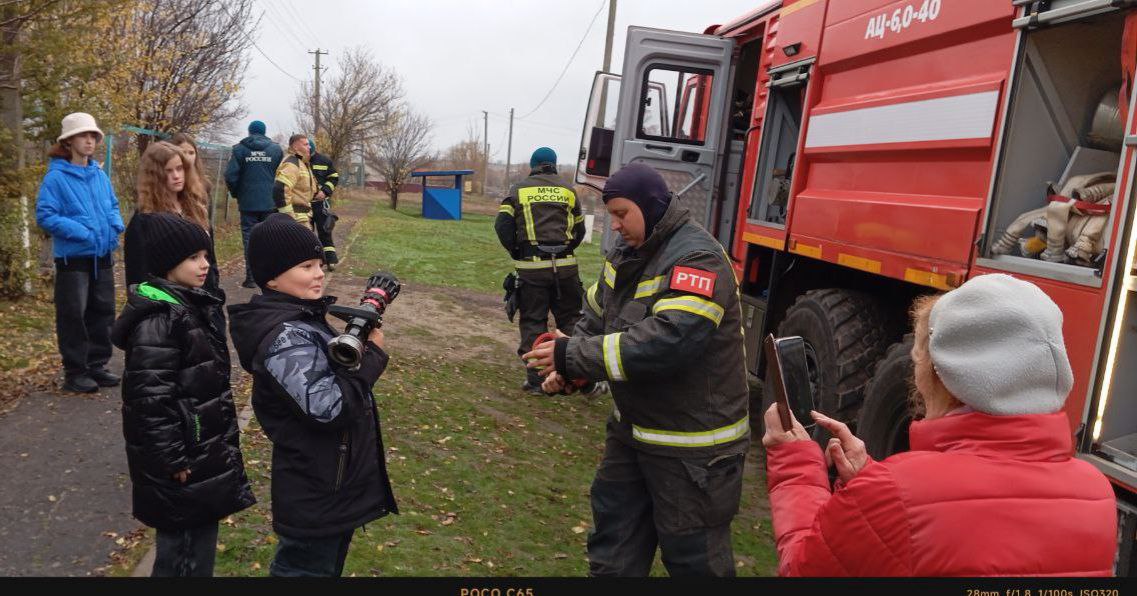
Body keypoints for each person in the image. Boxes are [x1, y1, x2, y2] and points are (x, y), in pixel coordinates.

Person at [763, 274, 1118, 576]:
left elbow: (802, 569)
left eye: (920, 357)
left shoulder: (895, 494)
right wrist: (867, 482)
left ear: (943, 377)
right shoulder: (1096, 493)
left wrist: (795, 464)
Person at [524, 163, 749, 576]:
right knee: (614, 554)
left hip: (693, 452)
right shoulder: (627, 255)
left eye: (622, 214)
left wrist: (573, 356)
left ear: (649, 205)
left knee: (694, 562)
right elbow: (596, 316)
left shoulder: (698, 258)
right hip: (632, 437)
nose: (615, 225)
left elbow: (669, 342)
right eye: (611, 215)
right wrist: (572, 368)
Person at [227, 214, 397, 577]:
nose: (319, 272)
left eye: (320, 264)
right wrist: (373, 358)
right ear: (272, 277)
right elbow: (328, 407)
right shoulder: (284, 336)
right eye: (306, 266)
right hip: (316, 493)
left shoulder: (303, 318)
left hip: (332, 487)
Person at [110, 213, 255, 577]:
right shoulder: (161, 322)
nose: (205, 264)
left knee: (198, 548)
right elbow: (148, 403)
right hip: (184, 465)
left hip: (200, 454)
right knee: (182, 556)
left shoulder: (190, 306)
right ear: (167, 262)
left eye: (205, 255)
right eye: (193, 257)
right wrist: (174, 460)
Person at [34, 112, 125, 393]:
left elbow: (112, 204)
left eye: (93, 136)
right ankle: (75, 372)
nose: (90, 140)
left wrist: (115, 224)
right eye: (83, 136)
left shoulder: (99, 175)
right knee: (73, 314)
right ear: (69, 141)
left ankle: (97, 365)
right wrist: (82, 232)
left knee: (103, 312)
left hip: (103, 255)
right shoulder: (56, 177)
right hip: (73, 258)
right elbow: (45, 216)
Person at [495, 147, 586, 394]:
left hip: (532, 269)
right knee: (570, 320)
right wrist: (566, 249)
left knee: (534, 321)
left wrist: (517, 250)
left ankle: (537, 381)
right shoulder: (569, 191)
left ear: (533, 165)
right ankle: (571, 376)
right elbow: (580, 231)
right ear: (554, 165)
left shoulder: (519, 190)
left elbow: (502, 226)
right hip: (566, 269)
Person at [225, 120, 283, 289]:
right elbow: (281, 175)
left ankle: (250, 278)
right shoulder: (276, 150)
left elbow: (230, 176)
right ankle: (268, 276)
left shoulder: (239, 149)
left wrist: (237, 193)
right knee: (269, 238)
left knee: (249, 239)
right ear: (264, 132)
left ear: (250, 132)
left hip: (248, 203)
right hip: (270, 202)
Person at [308, 139, 339, 270]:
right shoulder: (297, 162)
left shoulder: (324, 161)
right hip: (304, 204)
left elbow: (334, 177)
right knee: (306, 234)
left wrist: (325, 191)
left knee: (325, 232)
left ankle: (330, 260)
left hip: (321, 203)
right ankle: (310, 261)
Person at [273, 134, 317, 227]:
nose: (309, 147)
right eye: (305, 144)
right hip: (296, 219)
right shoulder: (292, 164)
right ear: (296, 147)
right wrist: (288, 217)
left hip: (302, 217)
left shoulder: (302, 163)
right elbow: (280, 189)